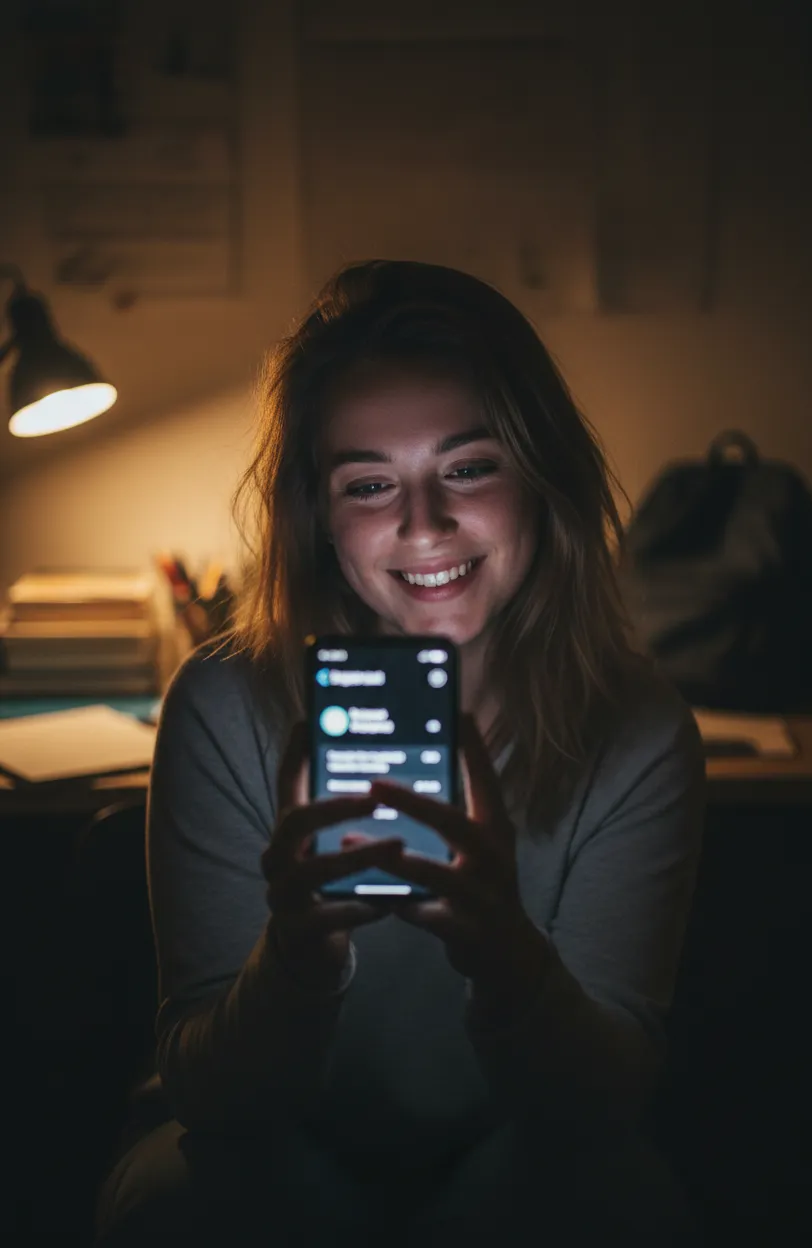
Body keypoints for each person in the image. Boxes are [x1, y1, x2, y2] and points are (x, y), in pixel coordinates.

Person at [94, 260, 705, 1246]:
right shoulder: (222, 706)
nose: (423, 526)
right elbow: (207, 1096)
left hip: (514, 1151)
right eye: (369, 484)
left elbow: (604, 1104)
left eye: (468, 467)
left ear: (541, 480)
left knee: (618, 1202)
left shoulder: (638, 729)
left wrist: (502, 948)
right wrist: (296, 956)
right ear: (318, 520)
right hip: (263, 1148)